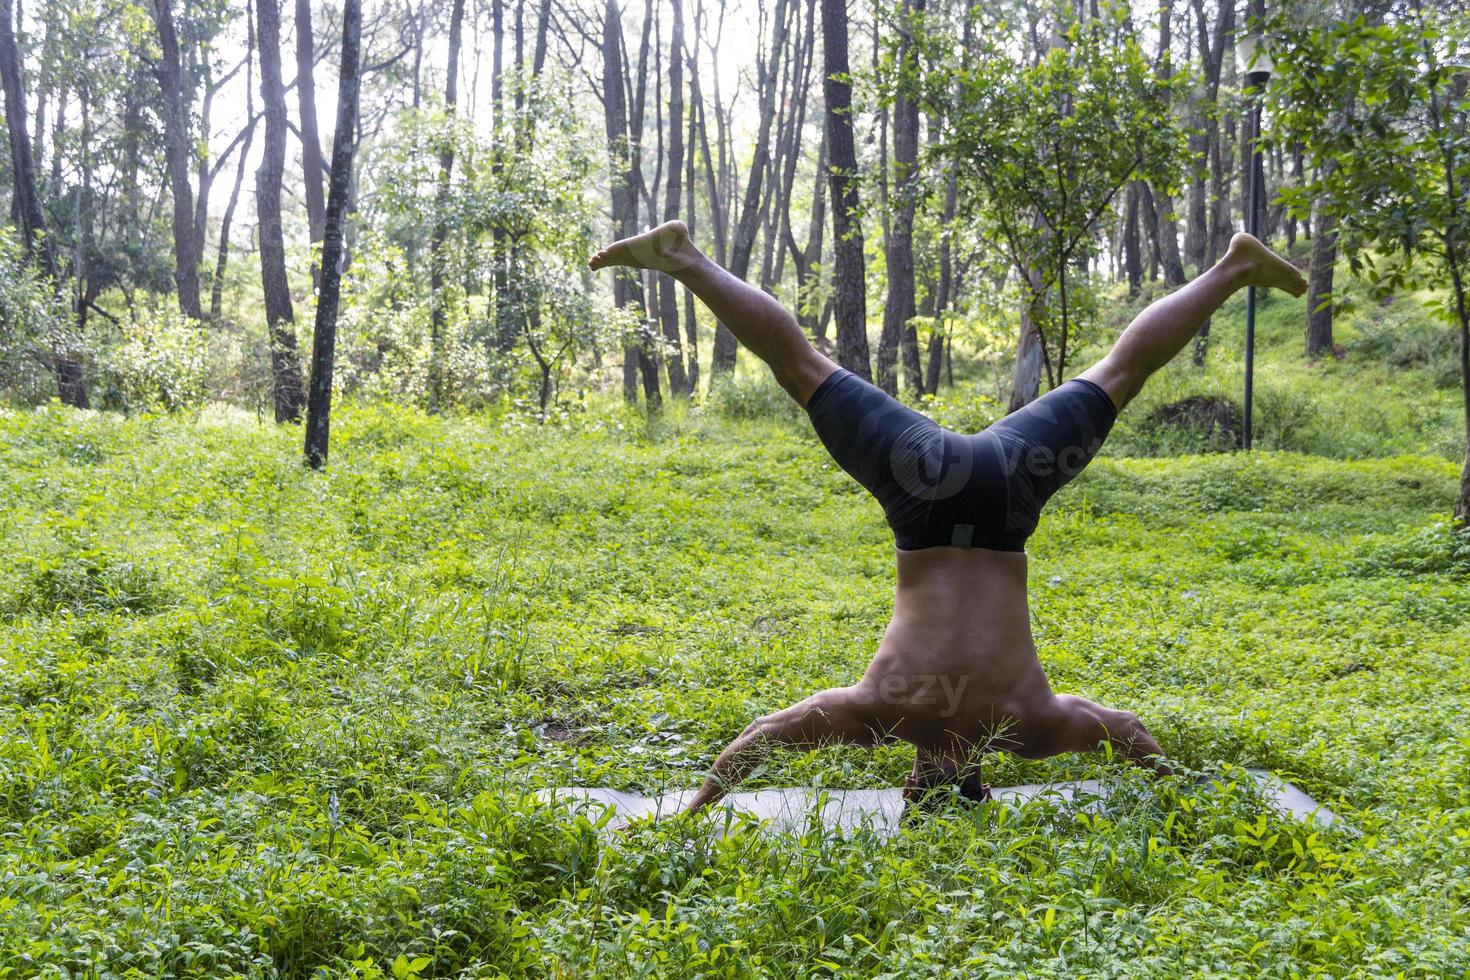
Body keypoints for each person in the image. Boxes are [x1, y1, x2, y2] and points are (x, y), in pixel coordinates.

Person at [590, 220, 1306, 816]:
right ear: (922, 779)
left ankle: (1231, 270)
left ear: (979, 780)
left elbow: (1127, 731)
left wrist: (1172, 790)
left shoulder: (1025, 724)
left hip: (1006, 492)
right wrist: (696, 808)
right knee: (801, 366)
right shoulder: (885, 712)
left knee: (1119, 374)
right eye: (912, 785)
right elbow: (764, 736)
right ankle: (683, 258)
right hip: (924, 488)